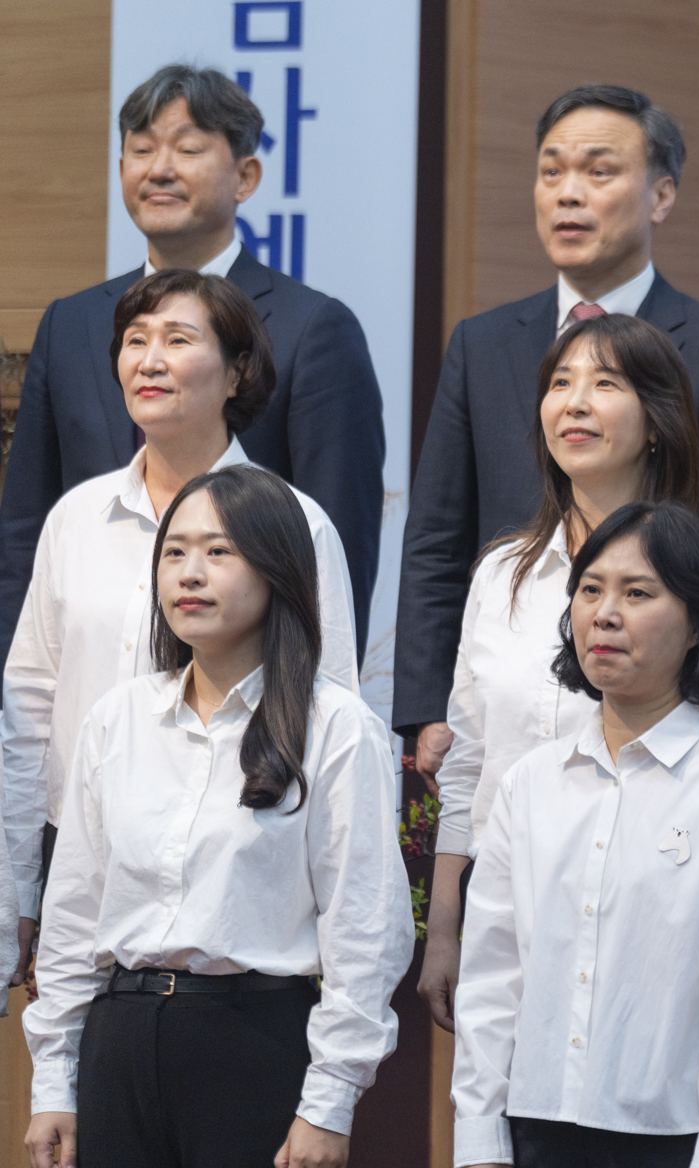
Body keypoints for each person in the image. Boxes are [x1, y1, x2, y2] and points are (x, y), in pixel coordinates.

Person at [21, 465, 412, 1168]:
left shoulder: (335, 726)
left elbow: (365, 931)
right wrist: (55, 1082)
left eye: (219, 551)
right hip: (118, 1044)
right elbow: (75, 916)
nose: (190, 573)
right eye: (174, 552)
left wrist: (329, 1103)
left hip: (253, 1045)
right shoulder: (118, 719)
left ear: (277, 570)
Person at [397, 83, 699, 777]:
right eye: (551, 172)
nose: (568, 194)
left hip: (660, 722)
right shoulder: (483, 344)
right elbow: (437, 539)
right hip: (505, 704)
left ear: (661, 196)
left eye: (598, 171)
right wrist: (428, 706)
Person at [415, 313, 699, 1032]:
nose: (573, 403)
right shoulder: (501, 575)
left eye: (605, 383)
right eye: (560, 384)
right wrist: (446, 927)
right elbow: (469, 764)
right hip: (505, 903)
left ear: (657, 422)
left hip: (649, 911)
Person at [4, 269, 360, 987]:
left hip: (234, 871)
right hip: (82, 859)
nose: (149, 360)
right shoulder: (77, 518)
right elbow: (29, 711)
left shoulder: (296, 523)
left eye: (177, 339)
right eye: (135, 340)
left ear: (237, 372)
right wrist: (16, 885)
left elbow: (330, 719)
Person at [449, 501, 699, 1168]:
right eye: (591, 590)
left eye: (638, 593)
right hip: (534, 1129)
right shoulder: (530, 783)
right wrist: (479, 1140)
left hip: (683, 1141)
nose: (605, 614)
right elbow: (493, 981)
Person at [1, 64, 384, 666]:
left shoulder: (313, 328)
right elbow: (26, 526)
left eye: (186, 149)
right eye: (141, 150)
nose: (159, 169)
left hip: (242, 683)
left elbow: (338, 547)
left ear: (246, 176)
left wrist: (303, 694)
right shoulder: (70, 323)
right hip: (88, 675)